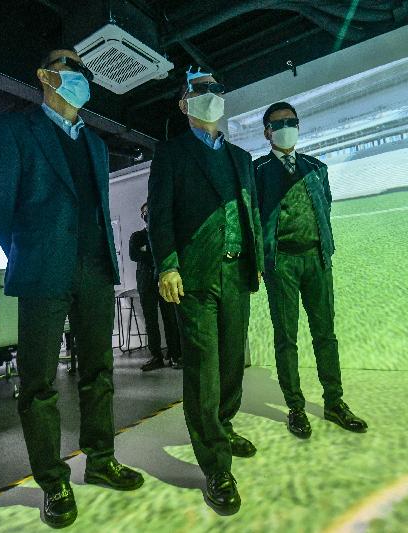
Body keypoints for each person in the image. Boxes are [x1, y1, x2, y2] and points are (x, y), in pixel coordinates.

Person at [0, 47, 143, 529]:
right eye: (67, 65)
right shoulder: (12, 129)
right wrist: (29, 251)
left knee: (100, 371)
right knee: (39, 383)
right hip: (42, 271)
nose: (78, 73)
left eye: (81, 69)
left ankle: (100, 458)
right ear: (44, 74)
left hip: (94, 269)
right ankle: (53, 480)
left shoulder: (93, 143)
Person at [147, 67, 263, 515]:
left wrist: (258, 264)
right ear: (184, 104)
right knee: (203, 369)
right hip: (194, 276)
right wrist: (167, 265)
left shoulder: (241, 158)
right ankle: (215, 464)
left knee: (234, 359)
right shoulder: (171, 154)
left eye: (216, 87)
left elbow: (250, 212)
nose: (210, 94)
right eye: (199, 90)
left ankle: (224, 423)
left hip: (237, 273)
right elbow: (160, 215)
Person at [253, 102, 368, 440]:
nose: (286, 127)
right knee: (286, 338)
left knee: (325, 334)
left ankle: (334, 401)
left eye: (291, 122)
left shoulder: (317, 167)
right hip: (281, 264)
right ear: (266, 132)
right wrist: (260, 262)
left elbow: (325, 207)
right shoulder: (257, 170)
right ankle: (296, 407)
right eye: (278, 123)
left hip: (316, 260)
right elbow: (254, 220)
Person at [129, 202, 182, 371]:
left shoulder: (163, 235)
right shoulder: (137, 236)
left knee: (170, 318)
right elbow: (134, 254)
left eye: (149, 211)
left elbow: (160, 253)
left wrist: (147, 251)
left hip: (162, 279)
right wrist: (152, 252)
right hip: (146, 281)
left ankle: (175, 355)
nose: (147, 214)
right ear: (141, 215)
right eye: (144, 212)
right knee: (150, 320)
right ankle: (156, 356)